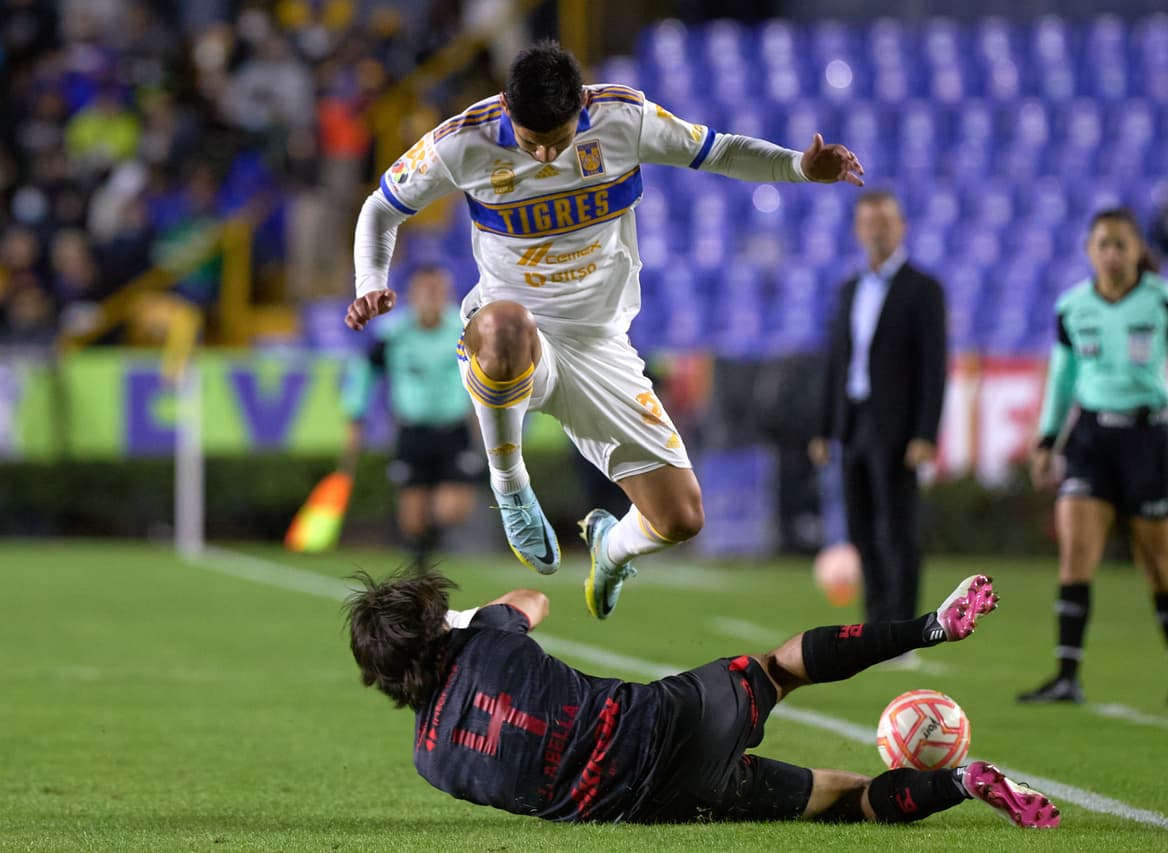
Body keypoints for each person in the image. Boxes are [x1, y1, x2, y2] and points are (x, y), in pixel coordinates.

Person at [343, 41, 865, 619]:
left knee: (681, 517)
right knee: (504, 322)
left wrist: (797, 166)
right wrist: (370, 279)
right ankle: (510, 485)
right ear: (506, 109)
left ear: (583, 107)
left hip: (600, 344)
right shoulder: (463, 140)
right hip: (516, 337)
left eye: (557, 139)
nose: (543, 153)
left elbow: (719, 151)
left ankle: (611, 549)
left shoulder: (624, 119)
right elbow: (380, 208)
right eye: (529, 138)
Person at [345, 567, 1061, 828]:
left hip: (657, 801)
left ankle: (963, 782)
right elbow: (531, 597)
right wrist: (459, 621)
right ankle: (932, 625)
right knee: (781, 667)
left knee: (844, 798)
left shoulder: (431, 760)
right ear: (433, 624)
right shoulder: (487, 640)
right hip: (669, 719)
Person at [1023, 208, 1168, 708]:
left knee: (1157, 565)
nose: (1111, 254)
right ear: (1090, 251)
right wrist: (1048, 440)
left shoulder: (1163, 300)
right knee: (1075, 555)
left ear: (1137, 251)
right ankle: (1067, 675)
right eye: (1103, 244)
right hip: (1090, 439)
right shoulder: (1072, 306)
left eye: (1121, 244)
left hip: (1146, 440)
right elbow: (1063, 377)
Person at [809, 191, 947, 630]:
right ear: (858, 229)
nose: (876, 230)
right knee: (862, 529)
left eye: (885, 221)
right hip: (853, 422)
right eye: (869, 222)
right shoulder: (851, 287)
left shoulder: (923, 289)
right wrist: (823, 427)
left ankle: (903, 629)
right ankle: (872, 626)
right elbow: (836, 361)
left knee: (898, 530)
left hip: (898, 427)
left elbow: (934, 366)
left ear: (901, 227)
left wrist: (925, 433)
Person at [342, 265, 481, 565]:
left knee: (451, 510)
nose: (431, 297)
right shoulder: (393, 333)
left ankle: (428, 547)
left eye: (437, 290)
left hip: (453, 430)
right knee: (412, 518)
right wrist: (356, 416)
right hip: (412, 431)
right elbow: (365, 371)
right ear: (412, 295)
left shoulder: (464, 330)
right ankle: (420, 574)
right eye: (425, 291)